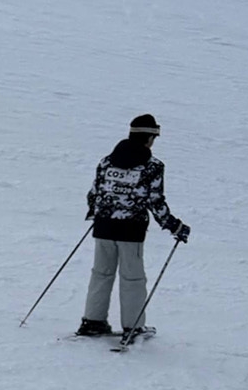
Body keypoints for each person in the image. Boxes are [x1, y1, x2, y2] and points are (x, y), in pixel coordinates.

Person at [78, 114, 189, 337]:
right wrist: (174, 226)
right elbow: (155, 201)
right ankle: (133, 326)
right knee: (132, 278)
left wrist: (97, 214)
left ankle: (92, 321)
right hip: (131, 230)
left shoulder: (106, 162)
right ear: (149, 137)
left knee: (101, 273)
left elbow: (94, 193)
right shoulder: (152, 166)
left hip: (104, 227)